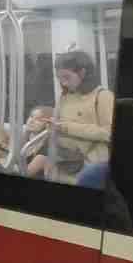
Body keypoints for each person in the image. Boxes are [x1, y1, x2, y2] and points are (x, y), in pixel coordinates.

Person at [42, 50, 114, 185]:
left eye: (67, 77)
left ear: (82, 73)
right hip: (62, 168)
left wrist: (66, 127)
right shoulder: (65, 97)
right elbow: (58, 129)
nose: (63, 83)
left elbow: (109, 133)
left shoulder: (103, 96)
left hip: (89, 170)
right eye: (59, 78)